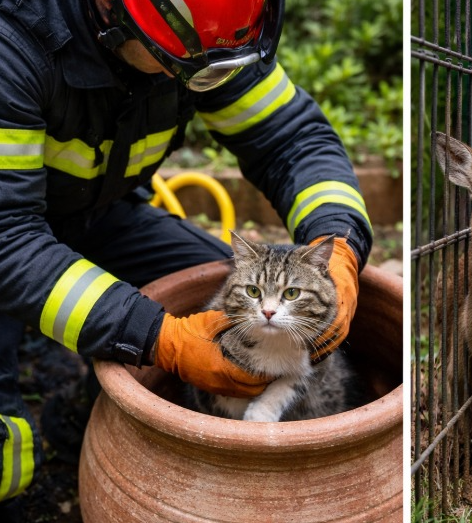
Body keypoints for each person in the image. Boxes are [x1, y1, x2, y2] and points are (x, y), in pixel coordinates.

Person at [0, 0, 372, 515]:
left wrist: (342, 244)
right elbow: (9, 239)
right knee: (5, 456)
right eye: (184, 66)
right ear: (111, 13)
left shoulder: (205, 35)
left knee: (211, 293)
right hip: (7, 233)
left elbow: (293, 140)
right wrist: (160, 337)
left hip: (102, 213)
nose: (204, 74)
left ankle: (87, 418)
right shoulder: (13, 47)